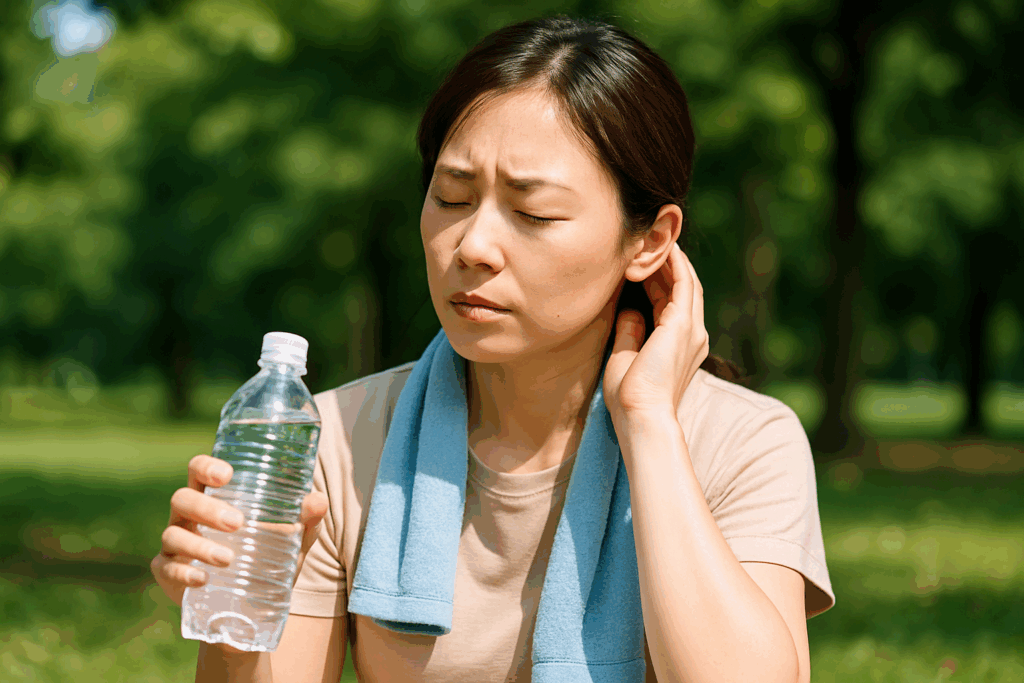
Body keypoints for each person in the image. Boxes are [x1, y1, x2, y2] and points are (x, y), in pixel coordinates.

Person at [151, 14, 835, 683]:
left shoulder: (742, 443)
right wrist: (231, 621)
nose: (473, 247)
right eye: (451, 198)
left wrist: (649, 424)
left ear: (650, 241)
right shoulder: (336, 442)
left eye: (533, 212)